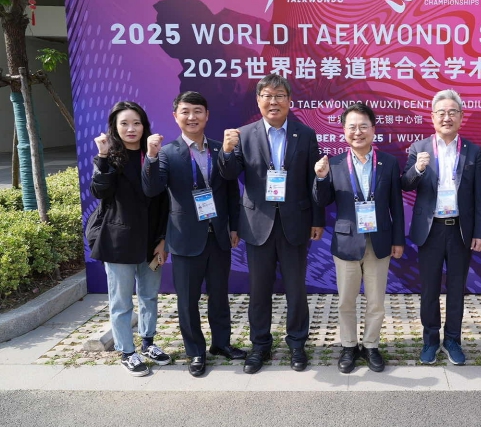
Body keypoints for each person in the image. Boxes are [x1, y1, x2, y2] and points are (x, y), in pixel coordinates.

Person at [218, 73, 325, 374]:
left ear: (290, 101)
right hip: (257, 224)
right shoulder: (244, 134)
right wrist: (226, 152)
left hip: (296, 223)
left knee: (296, 290)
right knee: (259, 290)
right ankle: (260, 345)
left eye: (280, 95)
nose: (274, 101)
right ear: (258, 101)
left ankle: (297, 344)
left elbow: (313, 179)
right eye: (267, 95)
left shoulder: (305, 134)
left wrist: (317, 219)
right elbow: (229, 176)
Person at [142, 91, 246, 378]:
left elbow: (231, 190)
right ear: (175, 117)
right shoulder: (167, 153)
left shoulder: (220, 148)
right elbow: (152, 189)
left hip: (219, 235)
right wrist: (150, 157)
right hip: (185, 237)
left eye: (198, 111)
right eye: (185, 112)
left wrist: (234, 226)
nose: (192, 117)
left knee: (219, 295)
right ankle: (195, 351)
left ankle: (221, 344)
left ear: (207, 115)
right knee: (188, 300)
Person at [313, 103, 405, 374]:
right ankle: (349, 346)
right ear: (343, 131)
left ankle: (371, 346)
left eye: (363, 126)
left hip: (379, 242)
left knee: (376, 301)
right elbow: (322, 201)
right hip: (346, 242)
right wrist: (320, 178)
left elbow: (396, 205)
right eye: (352, 127)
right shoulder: (334, 163)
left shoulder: (388, 163)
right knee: (346, 300)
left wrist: (398, 240)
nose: (358, 132)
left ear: (373, 129)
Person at [401, 89, 481, 365]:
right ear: (432, 117)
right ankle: (430, 340)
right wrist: (418, 169)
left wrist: (480, 232)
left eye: (452, 112)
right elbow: (405, 184)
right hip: (431, 230)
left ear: (461, 117)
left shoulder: (473, 151)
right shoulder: (419, 148)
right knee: (429, 289)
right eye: (441, 113)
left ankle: (452, 340)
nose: (447, 117)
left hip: (460, 230)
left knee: (456, 288)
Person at [88, 101, 171, 377]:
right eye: (124, 123)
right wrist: (102, 156)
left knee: (149, 296)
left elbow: (163, 202)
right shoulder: (109, 158)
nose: (131, 129)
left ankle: (148, 343)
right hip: (118, 241)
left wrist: (163, 239)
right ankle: (126, 351)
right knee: (121, 301)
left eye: (136, 123)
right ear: (115, 127)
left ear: (144, 126)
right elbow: (100, 192)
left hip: (151, 241)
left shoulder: (154, 155)